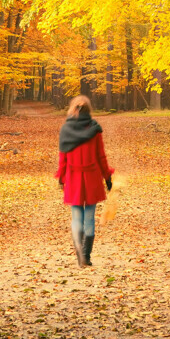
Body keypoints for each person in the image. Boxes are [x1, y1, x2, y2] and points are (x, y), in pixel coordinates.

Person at [55, 95, 114, 267]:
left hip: (73, 178)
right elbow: (101, 156)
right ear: (89, 110)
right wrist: (107, 177)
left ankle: (79, 254)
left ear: (73, 109)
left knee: (76, 218)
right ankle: (86, 256)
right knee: (89, 218)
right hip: (92, 178)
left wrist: (61, 177)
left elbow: (63, 158)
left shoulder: (66, 129)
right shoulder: (94, 129)